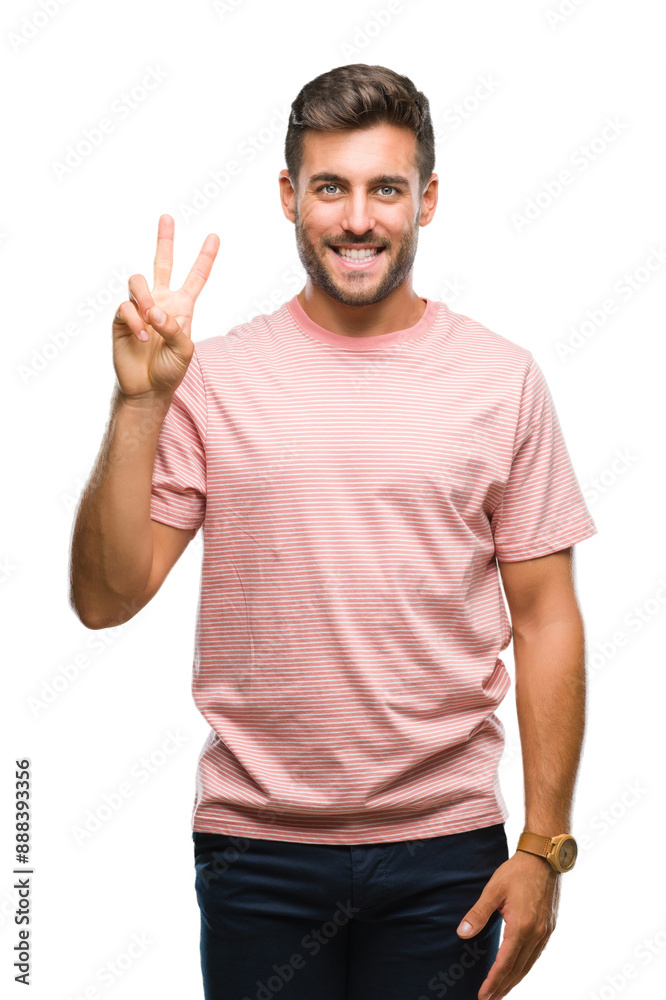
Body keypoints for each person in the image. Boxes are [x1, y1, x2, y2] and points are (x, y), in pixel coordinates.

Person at [69, 63, 598, 1000]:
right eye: (331, 188)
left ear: (425, 200)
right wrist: (139, 402)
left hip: (448, 854)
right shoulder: (215, 378)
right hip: (255, 856)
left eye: (385, 188)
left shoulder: (500, 379)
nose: (359, 218)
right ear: (290, 197)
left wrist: (545, 848)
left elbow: (547, 616)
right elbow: (105, 599)